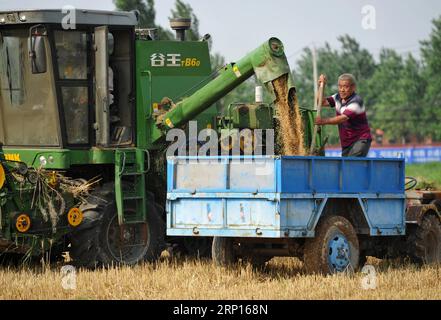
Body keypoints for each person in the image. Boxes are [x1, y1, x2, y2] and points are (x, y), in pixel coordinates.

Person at [315, 73, 372, 157]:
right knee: (346, 168)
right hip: (346, 143)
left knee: (352, 165)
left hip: (360, 140)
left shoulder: (356, 101)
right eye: (340, 86)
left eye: (346, 87)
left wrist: (323, 121)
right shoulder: (337, 97)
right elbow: (321, 102)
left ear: (353, 87)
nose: (342, 90)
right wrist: (321, 86)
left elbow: (342, 118)